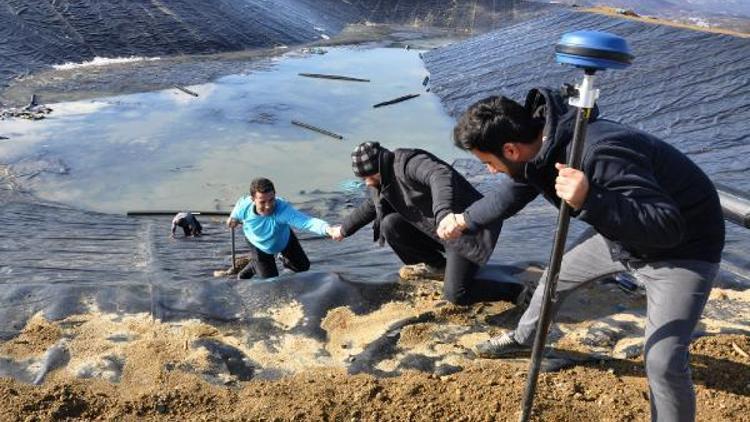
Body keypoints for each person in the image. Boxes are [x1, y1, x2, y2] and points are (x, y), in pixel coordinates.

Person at [439, 88, 725, 422]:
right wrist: (464, 219)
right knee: (552, 281)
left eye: (488, 163)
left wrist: (589, 199)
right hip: (619, 236)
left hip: (682, 251)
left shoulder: (599, 151)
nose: (490, 171)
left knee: (663, 361)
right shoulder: (538, 152)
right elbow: (509, 197)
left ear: (510, 149)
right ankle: (523, 339)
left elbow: (666, 226)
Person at [328, 141, 521, 306]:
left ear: (380, 165)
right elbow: (371, 206)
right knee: (390, 224)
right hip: (439, 231)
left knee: (456, 295)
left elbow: (440, 175)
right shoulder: (381, 181)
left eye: (370, 176)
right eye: (363, 179)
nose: (368, 183)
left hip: (465, 229)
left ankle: (518, 291)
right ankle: (439, 267)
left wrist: (444, 213)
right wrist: (344, 229)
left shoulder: (408, 163)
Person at [227, 177, 338, 279]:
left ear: (275, 195)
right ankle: (253, 266)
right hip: (259, 245)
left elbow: (307, 222)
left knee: (303, 267)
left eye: (271, 200)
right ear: (253, 199)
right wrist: (233, 217)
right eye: (262, 202)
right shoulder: (245, 206)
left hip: (284, 239)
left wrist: (329, 230)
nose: (268, 206)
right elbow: (239, 206)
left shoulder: (283, 209)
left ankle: (280, 257)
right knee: (271, 281)